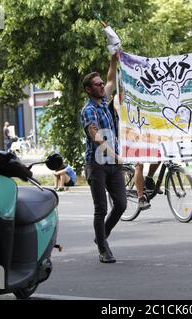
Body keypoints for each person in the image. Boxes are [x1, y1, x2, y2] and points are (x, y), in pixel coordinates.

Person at [80, 52, 127, 263]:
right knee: (101, 208)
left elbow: (111, 79)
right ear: (89, 89)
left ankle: (102, 235)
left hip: (113, 164)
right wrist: (115, 154)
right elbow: (95, 135)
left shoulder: (104, 99)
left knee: (122, 205)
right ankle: (103, 249)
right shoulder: (88, 110)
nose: (102, 86)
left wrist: (113, 59)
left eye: (101, 84)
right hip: (97, 164)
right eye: (97, 85)